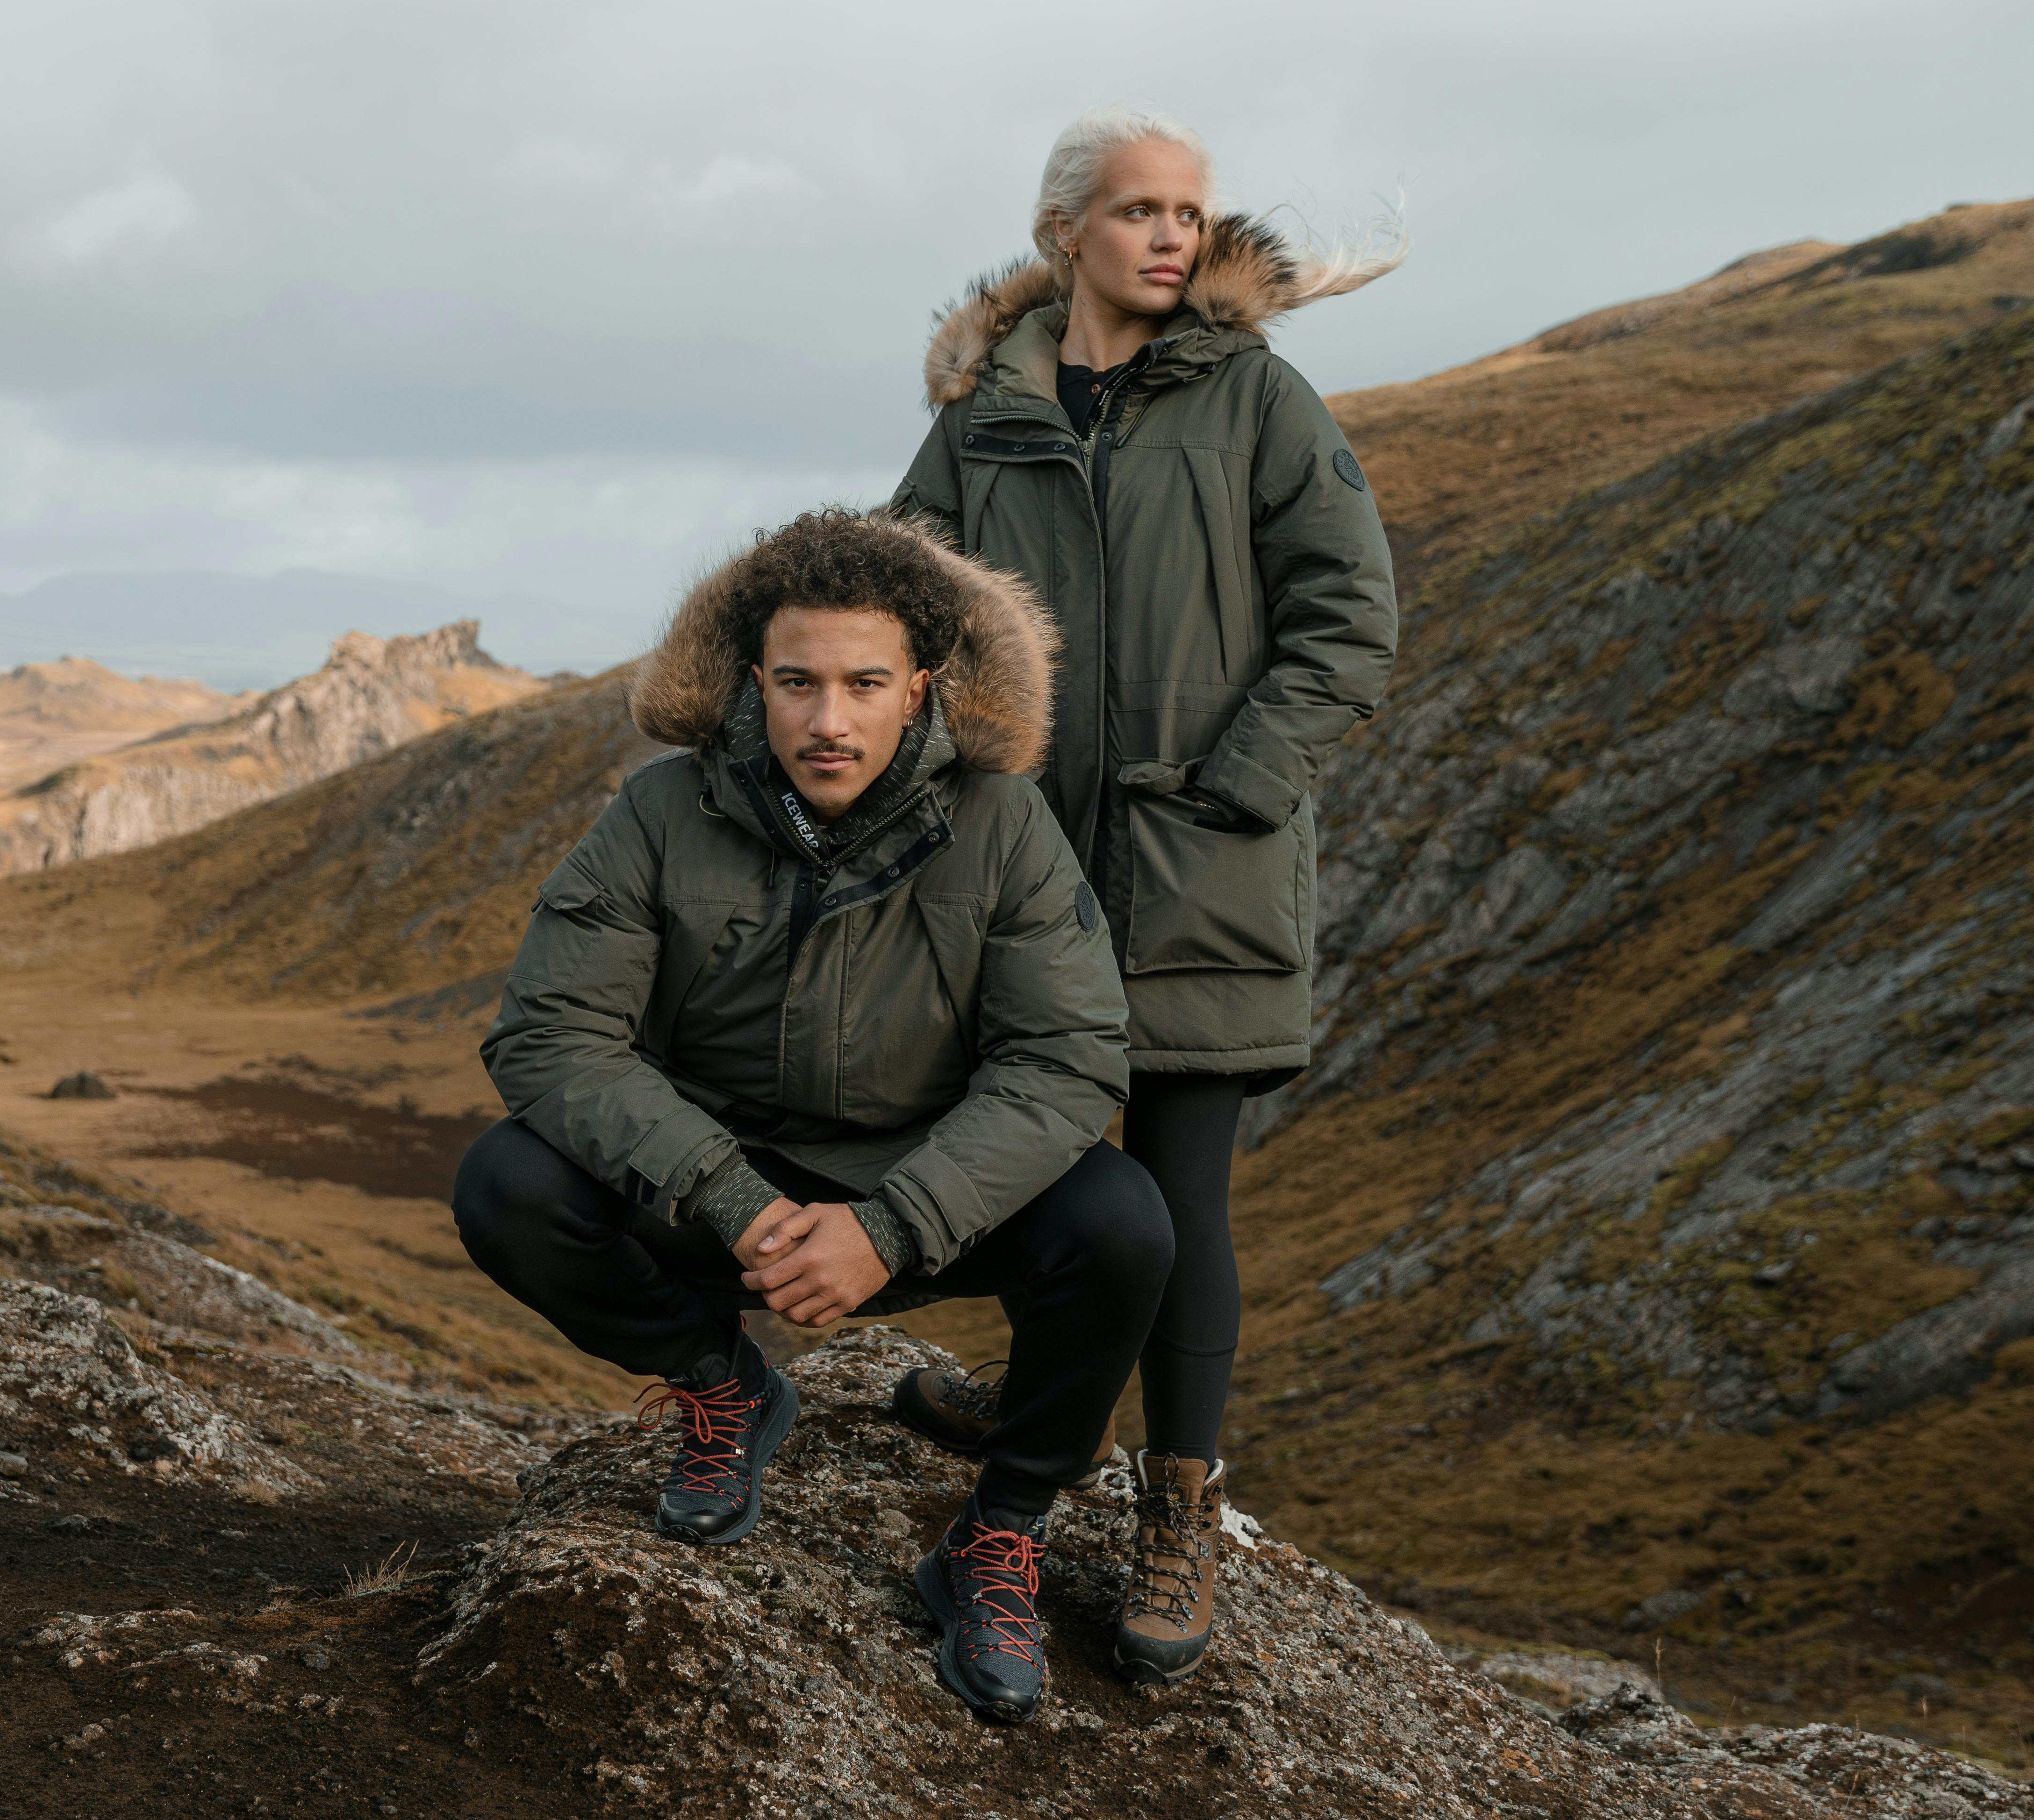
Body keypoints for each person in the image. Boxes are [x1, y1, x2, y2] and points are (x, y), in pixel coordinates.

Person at [453, 507, 1172, 1724]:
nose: (827, 721)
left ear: (921, 689)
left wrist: (891, 1225)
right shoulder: (661, 815)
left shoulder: (1002, 827)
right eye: (797, 683)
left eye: (863, 684)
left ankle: (995, 1537)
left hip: (928, 1198)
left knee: (1125, 1224)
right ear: (754, 683)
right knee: (507, 1185)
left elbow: (1065, 1060)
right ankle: (723, 1385)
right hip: (723, 1197)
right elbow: (550, 1037)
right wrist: (736, 1199)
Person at [883, 109, 1401, 1688]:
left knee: (1181, 1199)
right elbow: (905, 604)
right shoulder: (984, 414)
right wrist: (943, 795)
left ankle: (1178, 1506)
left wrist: (1244, 780)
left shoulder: (1254, 398)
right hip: (1023, 873)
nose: (1175, 235)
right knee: (1030, 1160)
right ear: (1065, 236)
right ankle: (1050, 1392)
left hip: (1202, 865)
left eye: (1192, 211)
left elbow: (1351, 612)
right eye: (1140, 212)